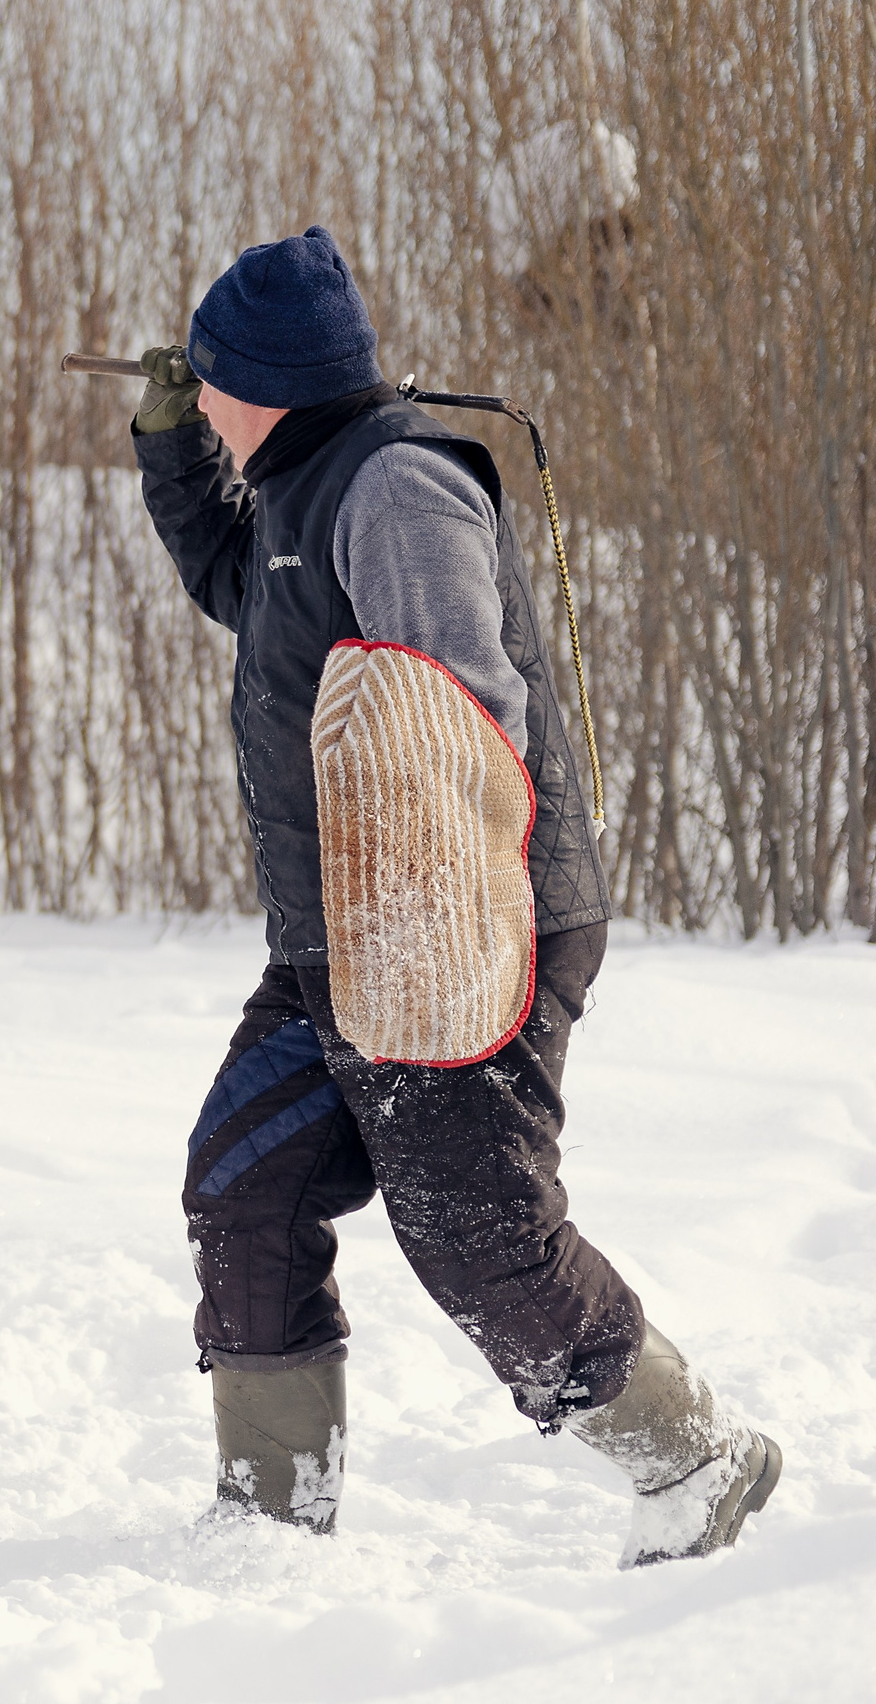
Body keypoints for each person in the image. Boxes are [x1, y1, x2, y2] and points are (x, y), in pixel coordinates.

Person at [131, 227, 780, 1566]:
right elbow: (237, 585)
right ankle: (269, 1526)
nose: (199, 396)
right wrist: (169, 450)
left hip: (459, 924)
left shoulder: (398, 486)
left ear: (269, 378)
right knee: (245, 1185)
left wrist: (431, 917)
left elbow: (457, 702)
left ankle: (697, 1461)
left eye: (207, 381)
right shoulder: (302, 490)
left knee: (481, 1237)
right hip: (343, 936)